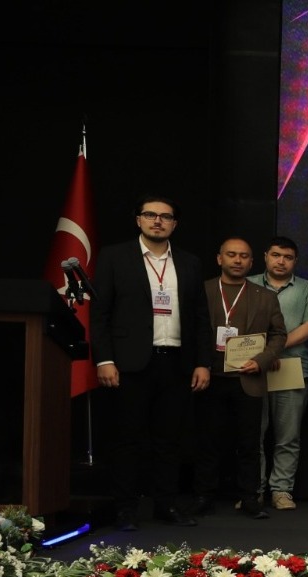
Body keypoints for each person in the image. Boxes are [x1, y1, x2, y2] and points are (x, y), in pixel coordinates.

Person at [89, 196, 209, 529]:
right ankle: (125, 509)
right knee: (127, 440)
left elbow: (200, 317)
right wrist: (104, 359)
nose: (158, 221)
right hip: (129, 363)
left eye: (165, 217)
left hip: (176, 362)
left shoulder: (189, 262)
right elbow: (100, 314)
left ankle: (166, 505)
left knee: (169, 441)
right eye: (150, 215)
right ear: (138, 220)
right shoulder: (114, 256)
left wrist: (203, 362)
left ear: (175, 224)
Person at [193, 237, 286, 520]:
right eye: (231, 254)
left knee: (249, 443)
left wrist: (261, 361)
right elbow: (191, 330)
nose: (237, 260)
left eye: (243, 256)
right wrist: (200, 364)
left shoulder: (265, 296)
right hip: (210, 377)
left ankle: (249, 498)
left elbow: (278, 335)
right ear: (219, 258)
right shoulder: (202, 290)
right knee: (207, 442)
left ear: (252, 262)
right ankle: (204, 496)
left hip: (248, 378)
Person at [256, 237, 308, 511]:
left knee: (288, 436)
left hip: (293, 366)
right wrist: (263, 356)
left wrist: (272, 349)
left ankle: (281, 491)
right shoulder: (248, 284)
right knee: (253, 434)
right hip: (253, 368)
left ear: (295, 261)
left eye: (288, 257)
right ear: (265, 256)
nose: (281, 261)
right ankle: (253, 490)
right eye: (276, 255)